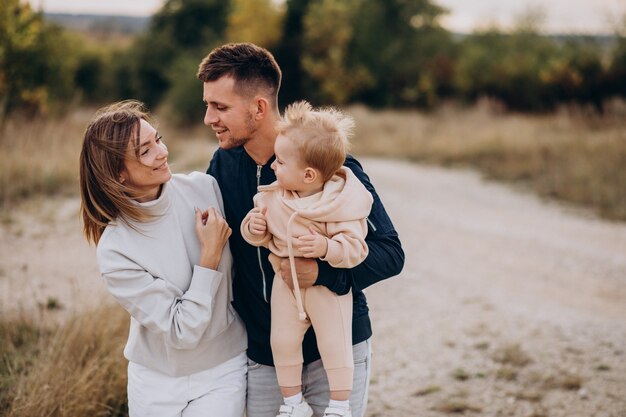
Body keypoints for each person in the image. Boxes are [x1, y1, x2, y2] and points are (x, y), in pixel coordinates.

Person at [198, 42, 404, 417]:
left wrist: (324, 272)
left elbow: (391, 253)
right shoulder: (222, 165)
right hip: (264, 356)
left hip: (337, 353)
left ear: (259, 108)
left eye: (220, 107)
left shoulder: (332, 167)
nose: (209, 118)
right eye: (208, 105)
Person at [79, 100, 247, 417]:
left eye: (158, 139)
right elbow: (181, 331)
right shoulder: (116, 249)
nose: (162, 152)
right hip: (155, 384)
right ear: (118, 175)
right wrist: (209, 256)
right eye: (145, 150)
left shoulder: (205, 188)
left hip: (223, 368)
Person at [241, 101, 373, 417]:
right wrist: (254, 228)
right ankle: (292, 403)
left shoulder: (339, 203)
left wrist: (325, 247)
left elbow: (356, 248)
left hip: (325, 288)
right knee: (282, 340)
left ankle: (340, 405)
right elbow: (259, 237)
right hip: (285, 285)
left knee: (334, 341)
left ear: (309, 173)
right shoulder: (272, 197)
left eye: (281, 161)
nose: (274, 165)